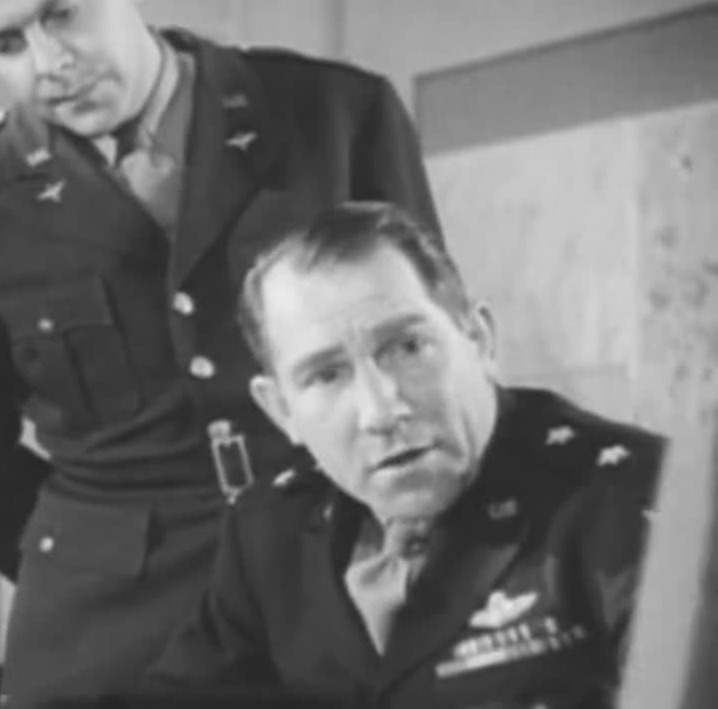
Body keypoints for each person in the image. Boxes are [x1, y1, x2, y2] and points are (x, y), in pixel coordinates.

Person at [0, 0, 441, 705]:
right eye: (4, 44)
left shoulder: (336, 115)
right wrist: (95, 552)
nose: (50, 63)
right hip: (109, 637)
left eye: (62, 13)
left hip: (347, 579)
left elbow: (430, 354)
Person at [140, 202, 665, 708]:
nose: (380, 410)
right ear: (281, 411)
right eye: (326, 375)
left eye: (408, 348)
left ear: (478, 339)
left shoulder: (629, 497)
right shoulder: (271, 533)